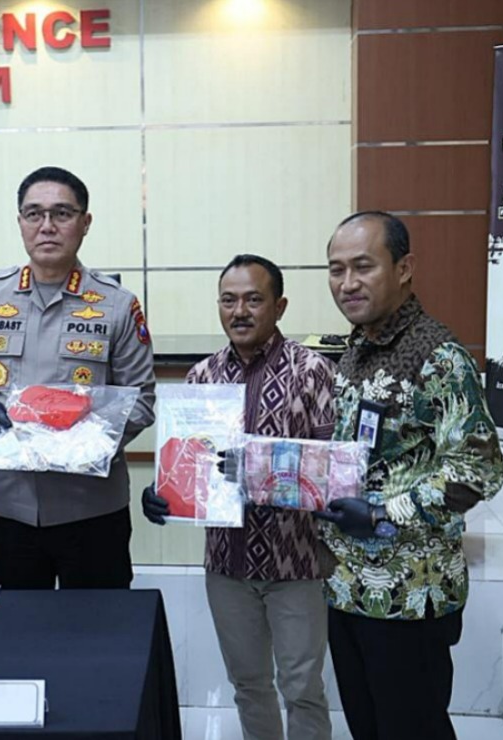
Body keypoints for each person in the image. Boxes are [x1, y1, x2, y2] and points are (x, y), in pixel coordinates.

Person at [320, 211, 503, 740]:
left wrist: (383, 512)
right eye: (336, 269)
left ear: (404, 268)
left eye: (363, 266)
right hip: (348, 588)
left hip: (410, 597)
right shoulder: (355, 351)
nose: (347, 283)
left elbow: (478, 469)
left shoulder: (438, 357)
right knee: (367, 727)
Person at [142, 255, 335, 740]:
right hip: (227, 563)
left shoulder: (313, 371)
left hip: (297, 563)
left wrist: (258, 471)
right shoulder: (201, 377)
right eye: (229, 300)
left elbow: (331, 472)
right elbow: (188, 462)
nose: (239, 311)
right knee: (248, 685)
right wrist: (162, 494)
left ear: (279, 306)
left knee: (302, 688)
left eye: (253, 299)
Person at [0, 166, 155, 590]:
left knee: (99, 625)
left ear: (85, 222)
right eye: (34, 214)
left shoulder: (117, 304)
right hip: (11, 506)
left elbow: (142, 400)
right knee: (18, 626)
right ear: (20, 221)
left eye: (62, 213)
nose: (47, 226)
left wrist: (82, 443)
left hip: (92, 508)